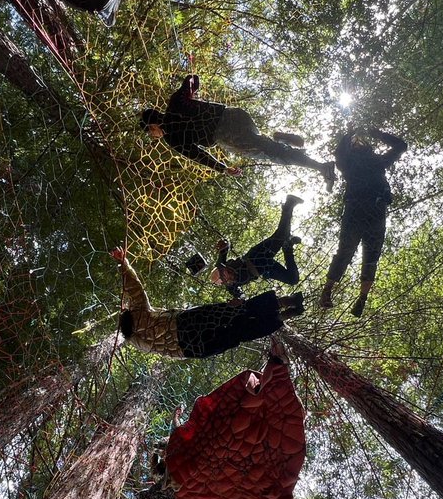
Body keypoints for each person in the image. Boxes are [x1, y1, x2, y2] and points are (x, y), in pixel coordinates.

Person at [141, 74, 335, 188]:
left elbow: (197, 155)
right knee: (266, 145)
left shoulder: (172, 138)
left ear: (152, 126)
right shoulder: (174, 102)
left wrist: (222, 168)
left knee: (271, 153)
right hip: (235, 115)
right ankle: (280, 140)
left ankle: (321, 167)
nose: (154, 137)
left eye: (151, 133)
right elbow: (193, 79)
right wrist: (191, 87)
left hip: (227, 136)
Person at [111, 248, 304, 358]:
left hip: (192, 349)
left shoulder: (135, 341)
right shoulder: (137, 314)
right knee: (239, 310)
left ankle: (285, 314)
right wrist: (123, 263)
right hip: (186, 324)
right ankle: (288, 301)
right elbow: (135, 291)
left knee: (241, 333)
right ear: (126, 314)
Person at [319, 126, 407, 317]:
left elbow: (401, 146)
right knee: (355, 253)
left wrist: (375, 134)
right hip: (364, 210)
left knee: (364, 255)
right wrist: (352, 133)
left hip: (367, 211)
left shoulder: (374, 162)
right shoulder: (350, 163)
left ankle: (358, 298)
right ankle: (330, 291)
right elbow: (400, 146)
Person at [210, 194, 303, 298]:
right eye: (223, 279)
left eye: (223, 273)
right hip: (265, 268)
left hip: (257, 255)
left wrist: (223, 243)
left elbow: (225, 246)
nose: (226, 275)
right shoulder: (231, 286)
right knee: (293, 279)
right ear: (224, 283)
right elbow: (241, 297)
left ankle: (289, 204)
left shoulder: (222, 264)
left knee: (281, 235)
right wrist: (240, 299)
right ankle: (287, 247)